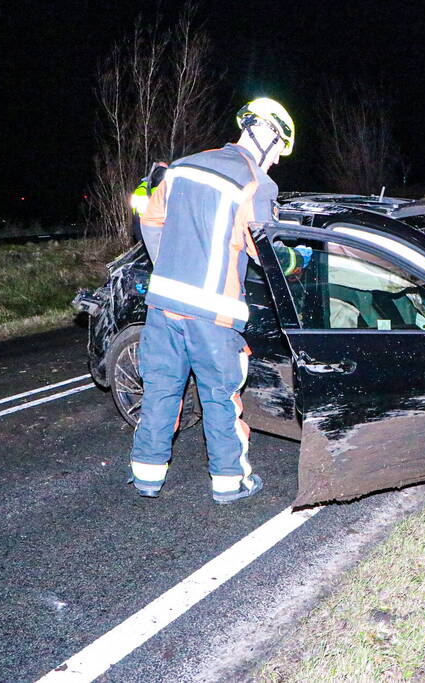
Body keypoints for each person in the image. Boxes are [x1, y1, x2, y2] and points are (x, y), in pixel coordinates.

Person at [130, 97, 295, 504]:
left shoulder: (183, 166)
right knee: (220, 398)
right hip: (214, 317)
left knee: (160, 392)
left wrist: (170, 266)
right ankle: (229, 482)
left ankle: (146, 477)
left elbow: (149, 219)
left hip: (163, 307)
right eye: (277, 152)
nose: (274, 162)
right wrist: (298, 260)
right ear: (266, 134)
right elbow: (268, 251)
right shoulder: (256, 182)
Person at [129, 162, 168, 244]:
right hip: (144, 226)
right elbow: (142, 214)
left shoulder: (166, 186)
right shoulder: (142, 190)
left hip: (159, 226)